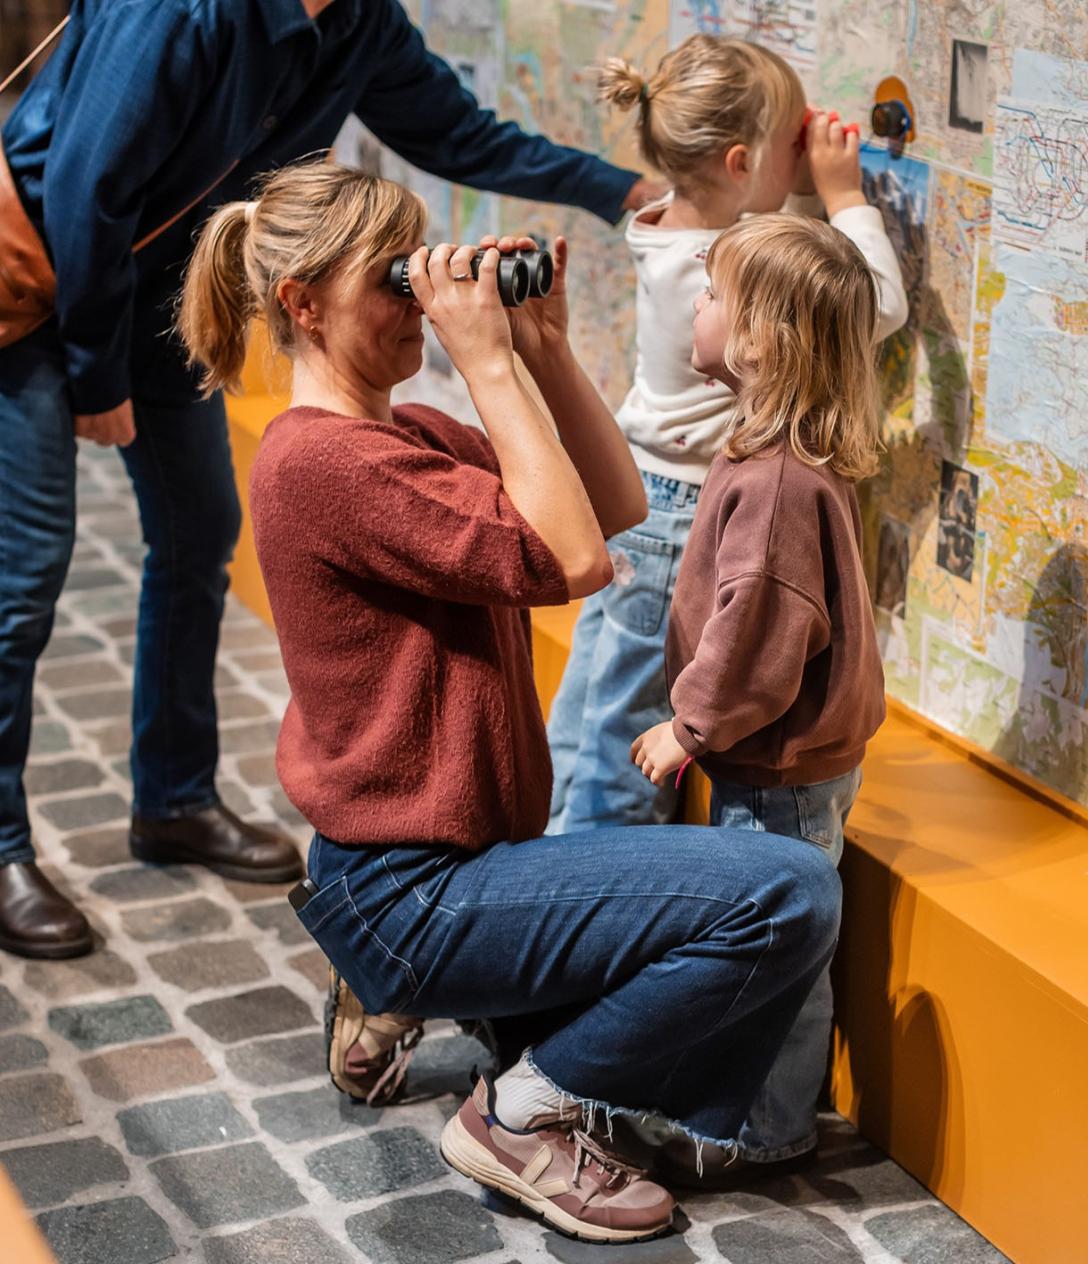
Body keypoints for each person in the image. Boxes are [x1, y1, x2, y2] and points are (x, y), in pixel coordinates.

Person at [176, 158, 843, 1243]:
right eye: (389, 281)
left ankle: (421, 1003)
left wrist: (540, 349)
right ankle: (517, 1114)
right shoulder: (324, 466)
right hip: (418, 887)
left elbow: (612, 503)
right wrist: (482, 357)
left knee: (654, 981)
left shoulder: (408, 436)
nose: (416, 299)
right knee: (787, 891)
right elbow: (573, 558)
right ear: (303, 304)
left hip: (471, 863)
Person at [0, 0, 663, 959]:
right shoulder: (179, 12)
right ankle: (3, 848)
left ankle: (174, 799)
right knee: (24, 577)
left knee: (197, 540)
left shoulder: (358, 22)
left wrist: (619, 187)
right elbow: (82, 186)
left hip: (155, 299)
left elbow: (458, 133)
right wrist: (96, 377)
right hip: (40, 290)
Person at [545, 34, 907, 835]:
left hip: (640, 496)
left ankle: (553, 849)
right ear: (740, 164)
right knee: (630, 728)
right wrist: (843, 196)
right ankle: (594, 877)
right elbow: (873, 302)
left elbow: (764, 237)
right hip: (679, 518)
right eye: (791, 145)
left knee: (593, 704)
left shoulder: (663, 230)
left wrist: (788, 181)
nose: (803, 157)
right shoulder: (717, 268)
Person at [631, 213, 887, 1183]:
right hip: (784, 761)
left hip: (777, 770)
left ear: (762, 339)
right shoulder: (769, 455)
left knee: (778, 948)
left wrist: (689, 726)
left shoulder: (776, 481)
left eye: (712, 297)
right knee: (773, 935)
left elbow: (758, 636)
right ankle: (744, 1099)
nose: (696, 308)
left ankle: (768, 1126)